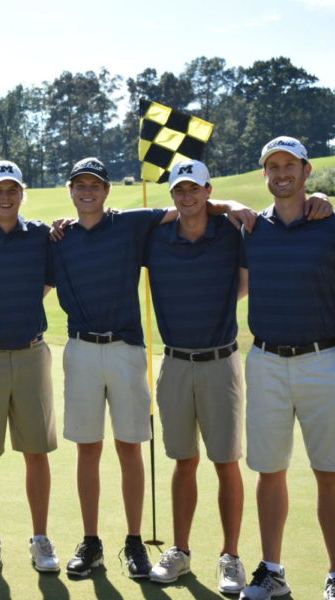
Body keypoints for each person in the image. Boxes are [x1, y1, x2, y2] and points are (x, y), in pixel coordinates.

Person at [50, 157, 265, 580]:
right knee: (99, 450)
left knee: (179, 454)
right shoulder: (61, 236)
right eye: (80, 184)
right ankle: (95, 542)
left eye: (95, 184)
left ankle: (196, 552)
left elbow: (204, 214)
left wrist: (229, 204)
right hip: (98, 351)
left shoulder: (135, 225)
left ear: (108, 190)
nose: (88, 191)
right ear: (71, 190)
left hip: (139, 350)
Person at [239, 137, 335, 600]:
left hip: (322, 361)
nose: (281, 173)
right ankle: (272, 570)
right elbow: (208, 207)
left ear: (306, 170)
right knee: (269, 471)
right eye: (272, 166)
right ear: (265, 175)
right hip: (266, 362)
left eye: (289, 164)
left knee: (329, 472)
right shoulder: (251, 228)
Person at [143, 160, 248, 593]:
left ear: (208, 192)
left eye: (194, 190)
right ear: (172, 196)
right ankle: (181, 551)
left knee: (226, 462)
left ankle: (231, 557)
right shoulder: (156, 238)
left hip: (220, 362)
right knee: (183, 461)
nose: (187, 197)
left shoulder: (231, 233)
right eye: (179, 191)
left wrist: (231, 206)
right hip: (174, 364)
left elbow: (244, 280)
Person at [0, 160, 59, 574]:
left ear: (22, 194)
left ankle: (40, 538)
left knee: (36, 451)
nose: (5, 197)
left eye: (12, 190)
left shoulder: (41, 235)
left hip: (31, 353)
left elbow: (49, 280)